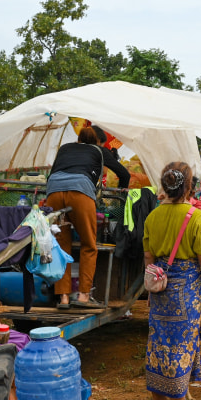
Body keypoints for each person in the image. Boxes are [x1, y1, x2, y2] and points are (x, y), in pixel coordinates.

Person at [142, 161, 201, 400]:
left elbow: (148, 257)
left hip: (160, 284)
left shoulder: (152, 216)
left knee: (159, 340)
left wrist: (152, 287)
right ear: (189, 186)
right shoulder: (195, 216)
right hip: (186, 288)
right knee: (181, 343)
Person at [46, 127, 131, 309]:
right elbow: (124, 174)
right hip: (80, 192)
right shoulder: (99, 150)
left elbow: (52, 173)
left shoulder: (65, 148)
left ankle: (63, 297)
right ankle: (84, 295)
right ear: (98, 142)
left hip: (54, 193)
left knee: (61, 245)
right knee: (89, 245)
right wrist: (121, 193)